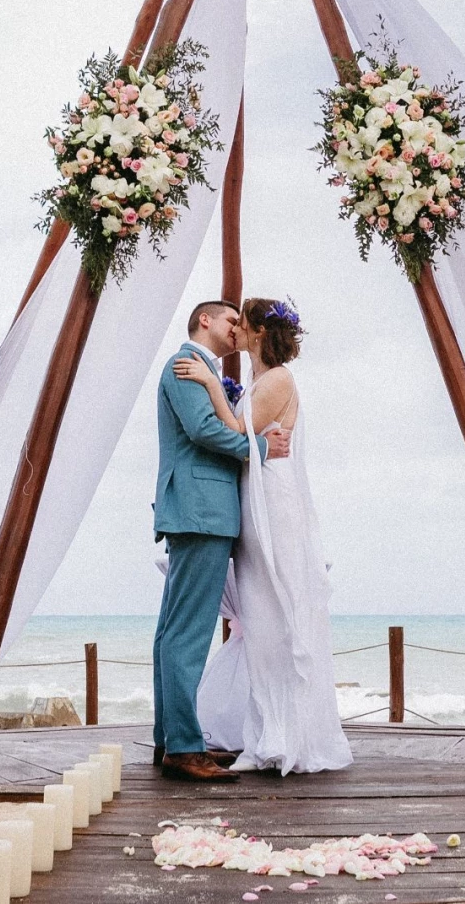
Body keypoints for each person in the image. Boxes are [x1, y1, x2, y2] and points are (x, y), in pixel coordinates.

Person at [178, 298, 353, 774]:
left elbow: (238, 428)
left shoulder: (277, 380)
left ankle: (287, 735)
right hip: (253, 501)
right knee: (260, 617)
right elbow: (246, 435)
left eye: (241, 322)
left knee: (276, 613)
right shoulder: (260, 380)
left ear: (257, 331)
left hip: (272, 505)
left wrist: (214, 387)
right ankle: (269, 729)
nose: (233, 329)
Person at [152, 300, 289, 781]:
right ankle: (185, 748)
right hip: (201, 512)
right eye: (231, 320)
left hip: (199, 510)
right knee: (186, 634)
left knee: (173, 631)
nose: (238, 329)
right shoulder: (185, 365)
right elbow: (205, 430)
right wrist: (264, 447)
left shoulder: (203, 369)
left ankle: (172, 741)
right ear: (204, 320)